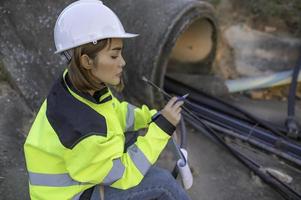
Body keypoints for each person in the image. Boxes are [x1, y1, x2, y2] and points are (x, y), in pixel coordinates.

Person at [24, 0, 192, 199]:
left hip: (77, 175)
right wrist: (162, 129)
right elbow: (124, 174)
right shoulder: (83, 127)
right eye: (114, 56)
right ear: (86, 61)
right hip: (67, 195)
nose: (122, 62)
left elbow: (115, 112)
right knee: (163, 184)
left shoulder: (80, 86)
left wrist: (151, 117)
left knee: (133, 140)